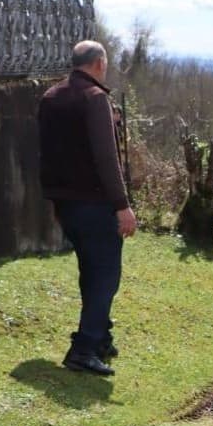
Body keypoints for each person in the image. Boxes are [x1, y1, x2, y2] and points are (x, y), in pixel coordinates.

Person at [38, 40, 138, 376]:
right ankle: (83, 349)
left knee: (91, 272)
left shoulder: (50, 97)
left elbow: (45, 152)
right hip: (95, 203)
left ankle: (100, 338)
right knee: (106, 275)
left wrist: (54, 198)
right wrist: (122, 206)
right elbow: (106, 158)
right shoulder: (95, 99)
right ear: (98, 63)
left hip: (66, 202)